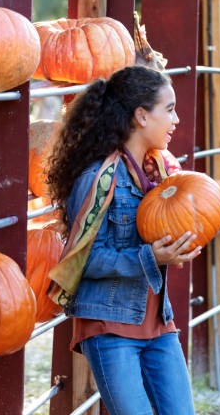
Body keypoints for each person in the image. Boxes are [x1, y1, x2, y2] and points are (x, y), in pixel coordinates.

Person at [46, 66, 198, 415]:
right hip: (110, 326)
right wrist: (150, 257)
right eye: (169, 108)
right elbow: (84, 260)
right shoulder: (98, 179)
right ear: (141, 116)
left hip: (158, 323)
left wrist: (175, 249)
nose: (176, 119)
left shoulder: (157, 173)